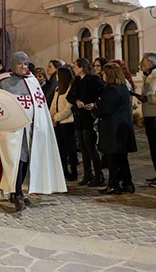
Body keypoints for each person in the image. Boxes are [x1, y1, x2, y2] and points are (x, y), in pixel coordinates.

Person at [0, 51, 67, 211]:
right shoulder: (2, 81)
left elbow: (39, 105)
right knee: (14, 161)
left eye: (26, 63)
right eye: (20, 63)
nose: (23, 66)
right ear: (13, 64)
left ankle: (17, 190)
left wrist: (41, 125)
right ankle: (18, 193)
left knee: (26, 159)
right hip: (9, 131)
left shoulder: (32, 81)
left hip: (30, 128)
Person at [87, 63, 136, 195]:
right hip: (122, 129)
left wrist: (94, 109)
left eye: (103, 73)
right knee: (122, 159)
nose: (102, 75)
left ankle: (114, 185)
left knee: (112, 159)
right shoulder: (122, 88)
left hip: (113, 130)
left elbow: (105, 109)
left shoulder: (111, 90)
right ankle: (127, 183)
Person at [67, 58, 105, 187]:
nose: (74, 69)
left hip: (89, 117)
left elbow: (103, 94)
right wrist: (76, 101)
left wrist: (94, 104)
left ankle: (98, 174)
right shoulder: (77, 81)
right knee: (83, 147)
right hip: (79, 117)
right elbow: (69, 96)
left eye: (75, 67)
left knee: (90, 146)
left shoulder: (93, 80)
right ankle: (88, 174)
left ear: (81, 68)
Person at [49, 65, 78, 181]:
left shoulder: (70, 88)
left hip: (68, 122)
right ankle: (63, 170)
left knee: (70, 148)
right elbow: (53, 105)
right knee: (61, 148)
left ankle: (73, 171)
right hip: (58, 123)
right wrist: (51, 117)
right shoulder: (58, 89)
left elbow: (68, 107)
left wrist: (57, 117)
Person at [139, 52, 156, 185]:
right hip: (149, 115)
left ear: (151, 63)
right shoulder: (148, 76)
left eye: (143, 62)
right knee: (152, 147)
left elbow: (153, 96)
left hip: (154, 115)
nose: (140, 65)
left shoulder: (154, 76)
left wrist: (147, 98)